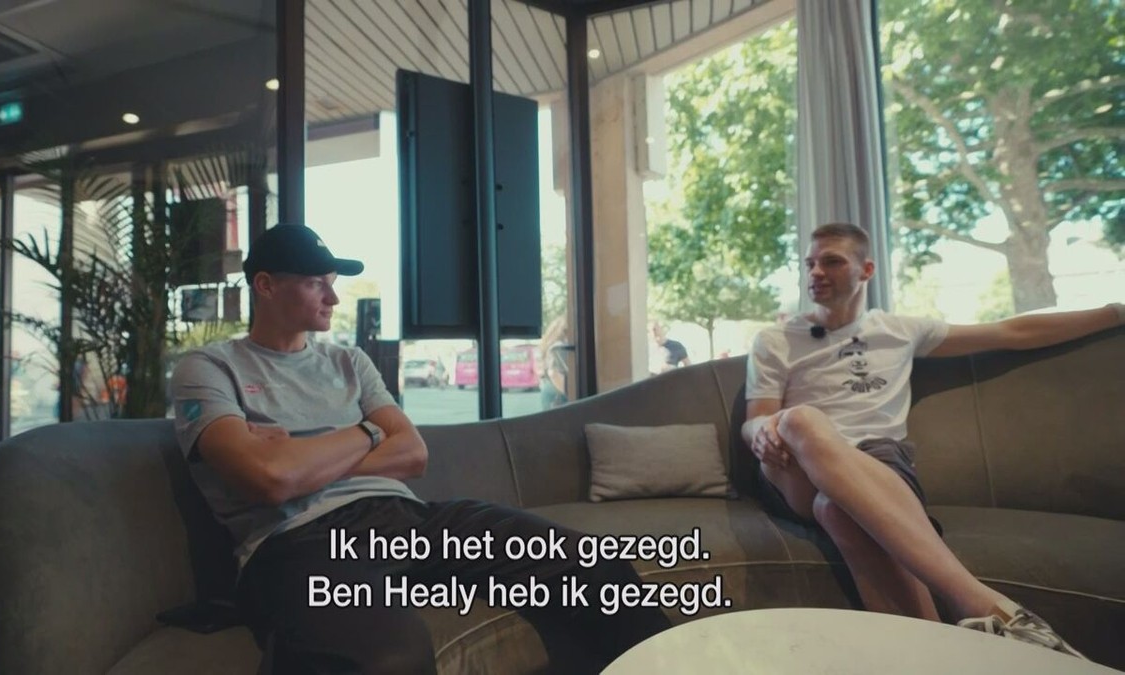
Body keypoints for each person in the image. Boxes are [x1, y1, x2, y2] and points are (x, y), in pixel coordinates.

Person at [170, 224, 670, 674]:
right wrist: (370, 431)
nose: (333, 297)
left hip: (405, 519)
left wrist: (305, 456)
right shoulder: (209, 368)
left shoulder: (350, 361)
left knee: (597, 568)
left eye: (332, 282)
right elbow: (269, 479)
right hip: (296, 542)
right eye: (315, 283)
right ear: (265, 285)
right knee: (390, 660)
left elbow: (413, 453)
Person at [744, 222, 1124, 659]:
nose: (815, 272)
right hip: (794, 465)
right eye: (810, 262)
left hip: (876, 462)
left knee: (837, 509)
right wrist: (762, 432)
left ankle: (935, 659)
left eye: (831, 261)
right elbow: (755, 419)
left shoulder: (900, 330)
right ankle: (984, 605)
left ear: (866, 270)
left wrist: (1116, 312)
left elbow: (1010, 332)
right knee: (801, 420)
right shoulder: (775, 339)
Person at [538, 316, 570, 410]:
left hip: (550, 393)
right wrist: (571, 394)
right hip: (558, 396)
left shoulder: (551, 346)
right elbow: (554, 373)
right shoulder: (560, 347)